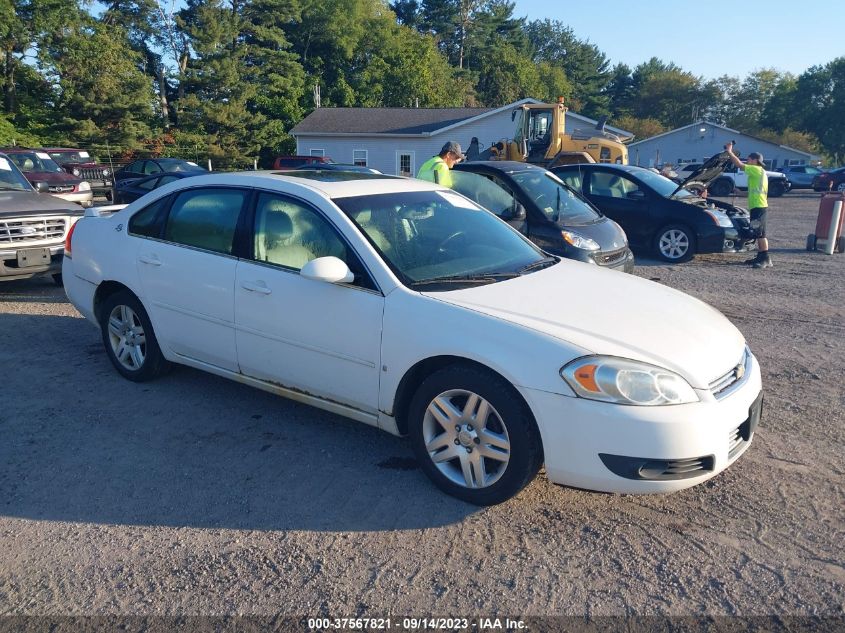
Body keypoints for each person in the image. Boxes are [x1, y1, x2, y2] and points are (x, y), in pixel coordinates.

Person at [725, 142, 771, 269]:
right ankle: (761, 256)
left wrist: (729, 151)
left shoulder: (756, 169)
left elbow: (739, 165)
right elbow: (754, 192)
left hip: (759, 206)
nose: (747, 161)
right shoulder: (760, 172)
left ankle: (765, 258)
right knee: (759, 233)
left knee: (760, 233)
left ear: (755, 160)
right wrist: (740, 192)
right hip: (759, 206)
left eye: (749, 159)